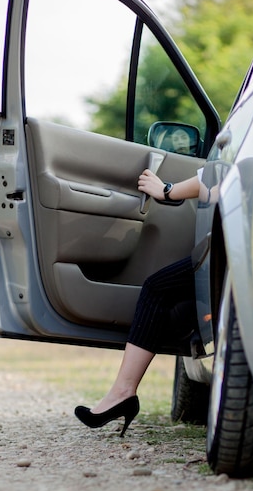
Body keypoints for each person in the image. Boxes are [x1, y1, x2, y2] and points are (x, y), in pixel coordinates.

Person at [75, 168, 210, 436]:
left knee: (157, 288)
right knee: (173, 302)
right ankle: (123, 393)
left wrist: (167, 190)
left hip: (234, 242)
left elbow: (218, 178)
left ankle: (124, 393)